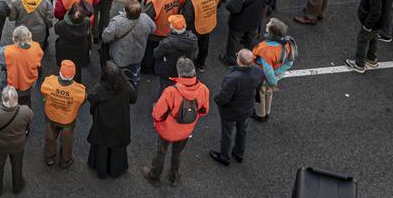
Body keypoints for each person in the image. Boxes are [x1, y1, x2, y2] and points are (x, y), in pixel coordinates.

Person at [143, 57, 209, 186]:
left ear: (179, 73)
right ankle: (174, 177)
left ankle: (154, 176)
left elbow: (158, 113)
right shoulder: (203, 89)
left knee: (161, 152)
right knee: (177, 153)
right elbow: (204, 111)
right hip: (186, 130)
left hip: (167, 129)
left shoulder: (171, 91)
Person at [208, 49, 263, 166]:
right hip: (247, 107)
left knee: (227, 133)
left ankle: (224, 156)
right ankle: (239, 153)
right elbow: (258, 86)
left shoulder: (234, 78)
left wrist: (216, 100)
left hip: (231, 111)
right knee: (242, 131)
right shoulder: (257, 70)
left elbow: (223, 97)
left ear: (239, 60)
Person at [86, 61, 135, 179]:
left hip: (103, 122)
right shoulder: (126, 87)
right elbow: (133, 98)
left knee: (102, 146)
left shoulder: (100, 88)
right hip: (120, 122)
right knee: (117, 147)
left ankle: (101, 170)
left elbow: (91, 98)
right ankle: (115, 170)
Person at [346, 0, 393, 73]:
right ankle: (371, 58)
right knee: (373, 38)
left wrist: (367, 25)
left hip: (372, 22)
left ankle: (359, 64)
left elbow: (375, 12)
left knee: (362, 40)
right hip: (381, 21)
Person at [0, 85, 32, 195]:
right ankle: (17, 186)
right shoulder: (25, 111)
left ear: (3, 99)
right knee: (17, 164)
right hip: (18, 144)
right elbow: (29, 119)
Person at [222, 0, 272, 64]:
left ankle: (231, 60)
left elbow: (232, 7)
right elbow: (269, 2)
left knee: (234, 40)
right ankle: (250, 57)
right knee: (250, 39)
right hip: (255, 21)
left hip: (239, 21)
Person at [40, 60, 86, 168]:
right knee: (67, 140)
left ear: (60, 71)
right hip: (68, 120)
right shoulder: (79, 90)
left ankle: (49, 157)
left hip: (51, 116)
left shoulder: (49, 81)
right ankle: (65, 160)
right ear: (73, 75)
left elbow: (43, 93)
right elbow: (83, 101)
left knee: (50, 137)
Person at [252, 18, 297, 122]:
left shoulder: (265, 49)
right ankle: (267, 112)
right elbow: (289, 63)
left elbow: (267, 70)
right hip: (275, 75)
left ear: (272, 32)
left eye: (269, 24)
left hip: (263, 78)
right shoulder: (288, 43)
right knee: (269, 93)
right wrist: (276, 75)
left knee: (260, 96)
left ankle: (260, 115)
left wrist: (272, 80)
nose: (266, 24)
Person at [153, 15, 198, 95]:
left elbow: (156, 54)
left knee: (165, 90)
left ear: (172, 28)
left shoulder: (167, 43)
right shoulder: (193, 39)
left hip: (168, 71)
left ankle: (165, 105)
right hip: (184, 70)